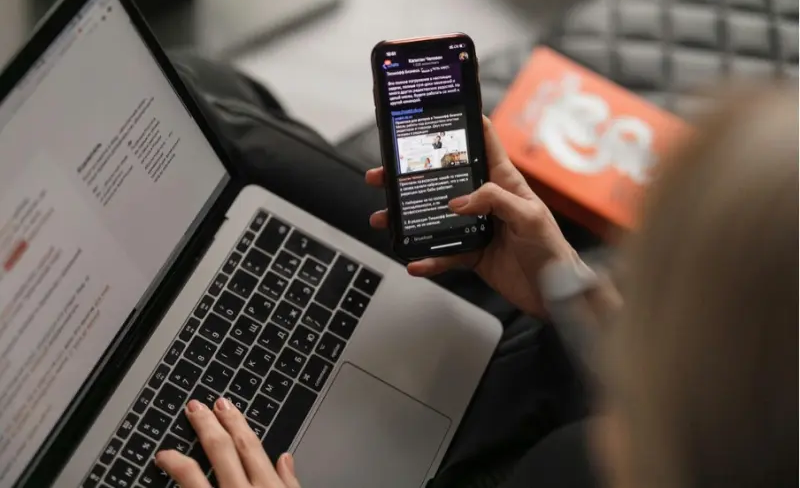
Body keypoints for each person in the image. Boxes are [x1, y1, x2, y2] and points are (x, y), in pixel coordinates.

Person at [154, 87, 797, 488]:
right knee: (209, 93)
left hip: (487, 415)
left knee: (202, 96)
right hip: (529, 355)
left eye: (653, 289)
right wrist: (577, 299)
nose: (619, 276)